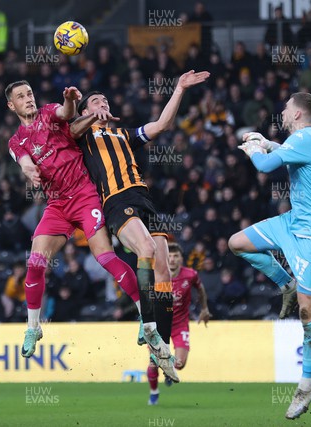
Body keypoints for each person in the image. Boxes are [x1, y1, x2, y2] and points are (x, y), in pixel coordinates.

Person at [4, 81, 176, 376]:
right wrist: (27, 168)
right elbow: (21, 159)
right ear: (12, 106)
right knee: (35, 262)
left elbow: (65, 112)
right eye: (20, 97)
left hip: (86, 196)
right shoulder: (15, 140)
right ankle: (33, 327)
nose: (27, 99)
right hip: (57, 204)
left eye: (29, 93)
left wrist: (71, 100)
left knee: (104, 257)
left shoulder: (48, 113)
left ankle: (142, 314)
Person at [69, 70, 209, 381]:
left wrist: (180, 88)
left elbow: (162, 125)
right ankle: (147, 323)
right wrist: (92, 116)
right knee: (145, 249)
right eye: (95, 100)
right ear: (85, 110)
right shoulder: (84, 136)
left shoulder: (124, 135)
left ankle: (161, 348)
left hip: (143, 198)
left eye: (104, 100)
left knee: (164, 272)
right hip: (117, 201)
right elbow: (73, 128)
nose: (103, 102)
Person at [228, 92, 311, 420]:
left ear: (299, 115)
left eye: (287, 109)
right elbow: (281, 153)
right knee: (237, 242)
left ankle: (307, 384)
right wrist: (266, 142)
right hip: (291, 223)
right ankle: (285, 283)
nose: (283, 113)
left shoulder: (307, 137)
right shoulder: (306, 141)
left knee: (307, 312)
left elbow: (263, 166)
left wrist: (253, 147)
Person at [147, 242, 211, 405]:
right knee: (153, 363)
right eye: (169, 256)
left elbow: (201, 288)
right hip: (159, 326)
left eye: (176, 256)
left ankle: (170, 371)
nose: (173, 259)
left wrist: (204, 308)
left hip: (179, 324)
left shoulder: (190, 275)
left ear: (182, 259)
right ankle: (154, 393)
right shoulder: (155, 275)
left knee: (180, 364)